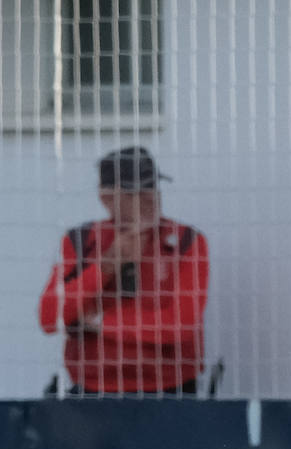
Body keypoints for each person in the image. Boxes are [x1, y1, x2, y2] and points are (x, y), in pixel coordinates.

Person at [39, 147, 210, 395]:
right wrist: (105, 267)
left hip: (170, 390)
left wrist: (98, 322)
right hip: (93, 391)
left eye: (153, 187)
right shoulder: (81, 242)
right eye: (135, 192)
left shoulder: (186, 242)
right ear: (107, 198)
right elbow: (49, 318)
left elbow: (180, 324)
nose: (150, 198)